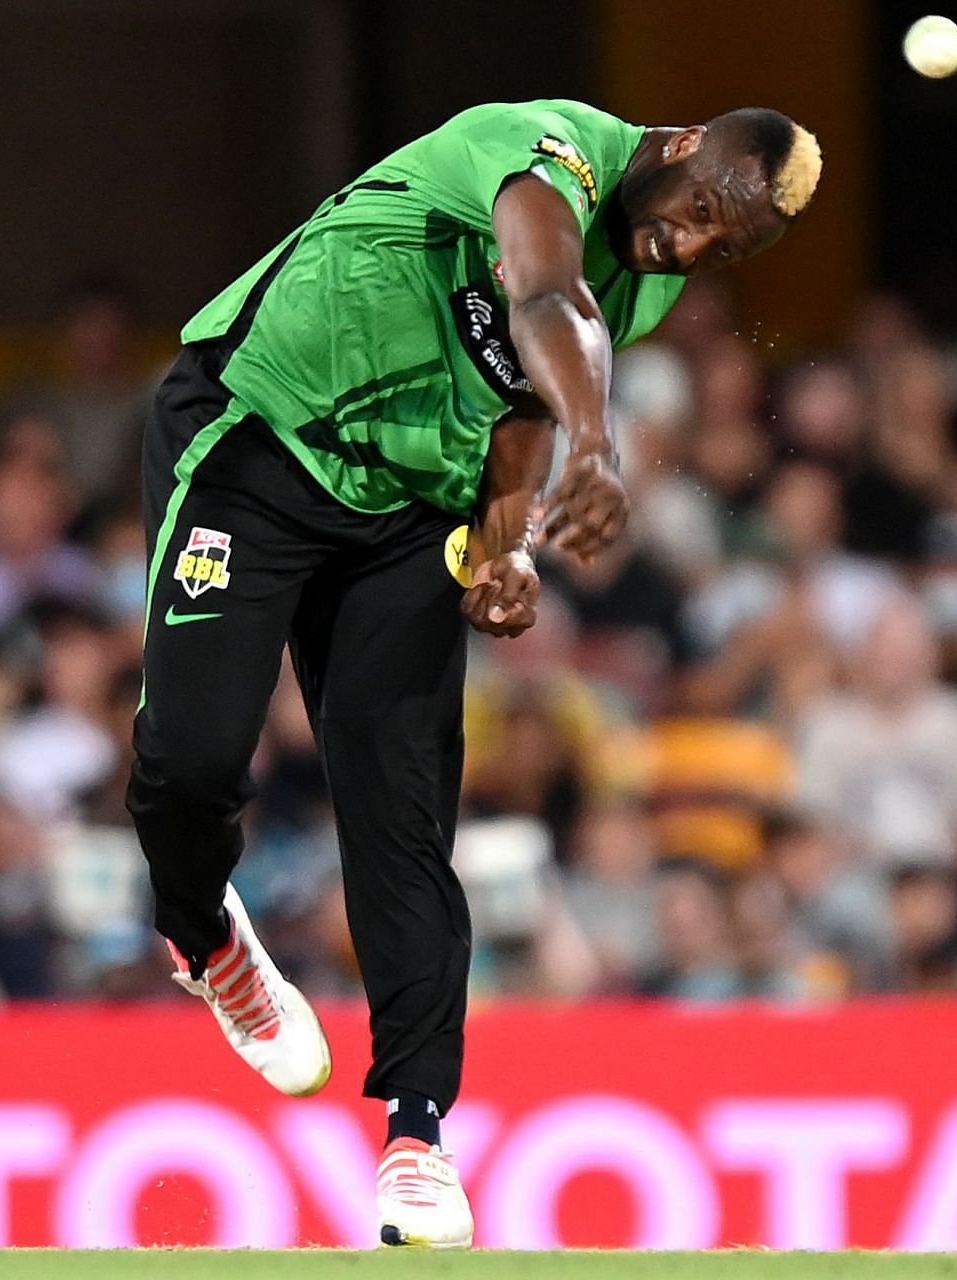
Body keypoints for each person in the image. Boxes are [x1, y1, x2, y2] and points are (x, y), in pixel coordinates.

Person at [124, 99, 819, 1247]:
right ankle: (204, 938)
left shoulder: (653, 273)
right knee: (194, 757)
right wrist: (600, 442)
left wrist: (504, 550)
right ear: (682, 144)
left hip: (409, 509)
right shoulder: (539, 145)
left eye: (720, 246)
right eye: (699, 214)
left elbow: (513, 406)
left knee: (403, 817)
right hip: (259, 438)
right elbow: (546, 298)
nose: (689, 247)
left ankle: (417, 1134)